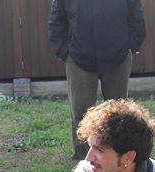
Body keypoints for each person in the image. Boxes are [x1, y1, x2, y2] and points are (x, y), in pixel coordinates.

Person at [49, 0, 146, 161]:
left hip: (118, 54)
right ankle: (83, 158)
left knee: (119, 112)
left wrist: (133, 45)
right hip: (78, 55)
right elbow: (56, 18)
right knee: (81, 112)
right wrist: (62, 50)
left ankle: (118, 152)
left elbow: (136, 13)